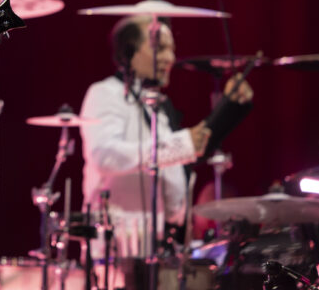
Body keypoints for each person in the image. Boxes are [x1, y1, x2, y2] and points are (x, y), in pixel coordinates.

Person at [79, 15, 252, 259]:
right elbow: (106, 155)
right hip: (117, 252)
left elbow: (182, 159)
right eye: (160, 49)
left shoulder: (158, 106)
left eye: (172, 51)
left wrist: (231, 109)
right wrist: (181, 145)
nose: (170, 59)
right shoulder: (105, 93)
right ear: (129, 52)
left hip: (160, 247)